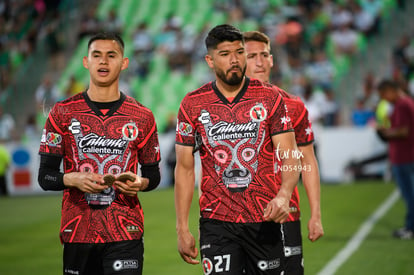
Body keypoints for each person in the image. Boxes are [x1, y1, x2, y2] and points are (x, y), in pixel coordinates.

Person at [174, 24, 300, 274]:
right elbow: (185, 169)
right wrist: (182, 228)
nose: (234, 60)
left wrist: (285, 193)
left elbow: (290, 154)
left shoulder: (269, 98)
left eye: (239, 52)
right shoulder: (193, 104)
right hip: (216, 223)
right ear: (210, 60)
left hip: (264, 218)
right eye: (225, 54)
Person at [37, 32, 161, 274]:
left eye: (111, 55)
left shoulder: (142, 116)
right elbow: (45, 176)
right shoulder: (62, 113)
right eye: (97, 55)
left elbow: (153, 176)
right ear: (86, 62)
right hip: (78, 232)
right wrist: (71, 179)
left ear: (124, 63)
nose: (103, 61)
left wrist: (141, 183)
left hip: (126, 231)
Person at [244, 30, 324, 275]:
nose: (259, 61)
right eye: (251, 56)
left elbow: (307, 160)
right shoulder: (224, 108)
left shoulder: (294, 105)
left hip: (286, 214)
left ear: (272, 60)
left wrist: (316, 214)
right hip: (240, 217)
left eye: (264, 55)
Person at [377, 79, 414, 240]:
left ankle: (411, 227)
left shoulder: (403, 104)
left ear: (390, 90)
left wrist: (385, 134)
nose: (384, 99)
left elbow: (404, 131)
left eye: (384, 94)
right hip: (402, 156)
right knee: (408, 194)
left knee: (409, 194)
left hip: (405, 156)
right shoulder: (402, 104)